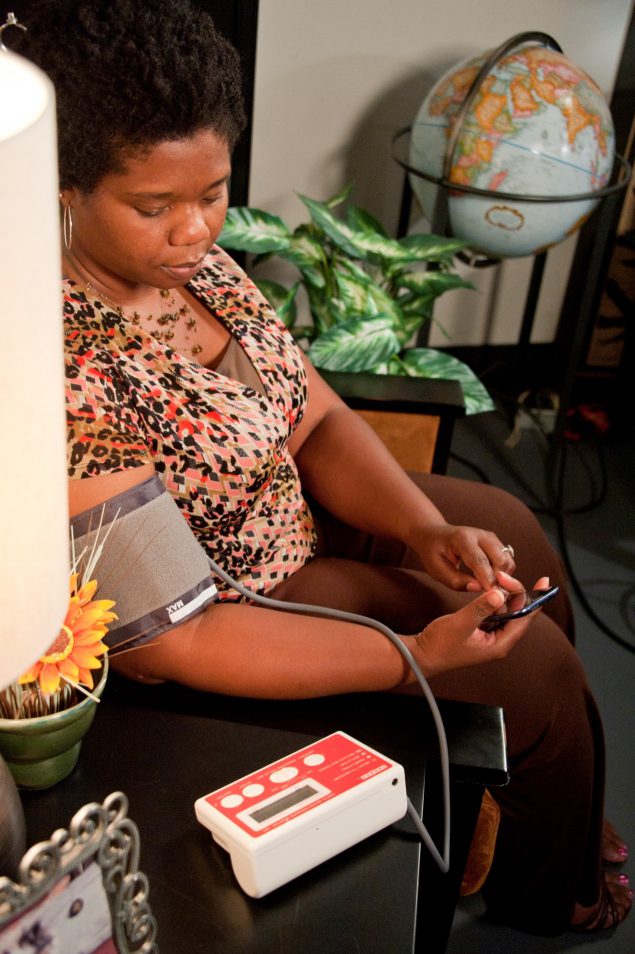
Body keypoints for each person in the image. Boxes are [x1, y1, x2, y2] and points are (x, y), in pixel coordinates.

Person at [15, 0, 631, 937]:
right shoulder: (58, 376)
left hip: (280, 507)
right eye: (154, 207)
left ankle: (525, 787)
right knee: (536, 664)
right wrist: (415, 659)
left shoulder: (194, 266)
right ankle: (557, 891)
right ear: (64, 189)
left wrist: (422, 529)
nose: (194, 229)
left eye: (211, 192)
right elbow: (171, 642)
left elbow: (316, 416)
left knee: (502, 526)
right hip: (235, 601)